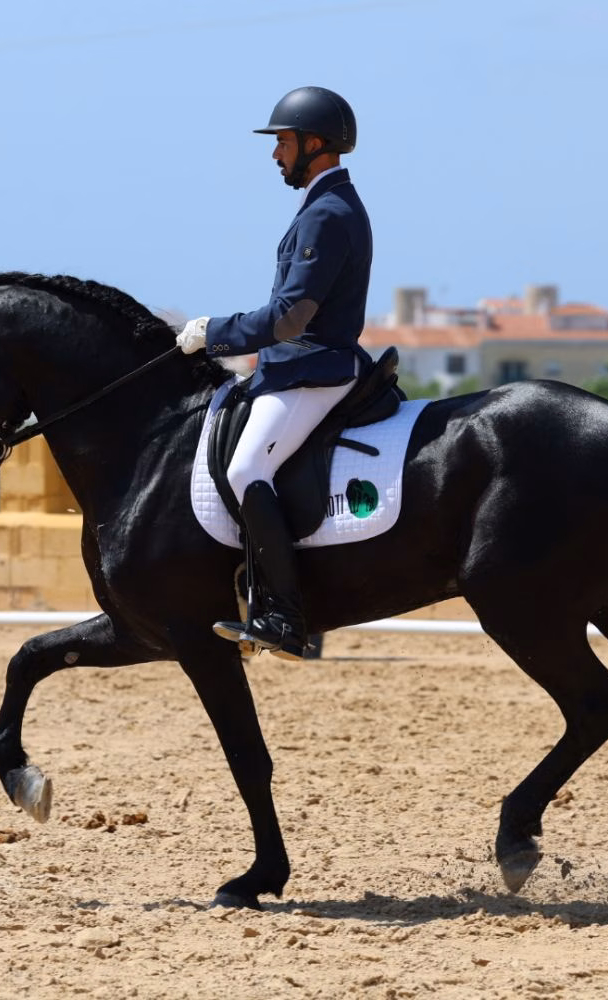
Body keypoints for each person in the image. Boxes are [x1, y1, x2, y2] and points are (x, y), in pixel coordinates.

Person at [175, 85, 374, 660]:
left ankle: (286, 618)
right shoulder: (322, 206)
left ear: (316, 143)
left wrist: (214, 332)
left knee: (242, 471)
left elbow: (290, 319)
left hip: (312, 369)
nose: (275, 154)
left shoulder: (329, 213)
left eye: (283, 142)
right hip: (296, 367)